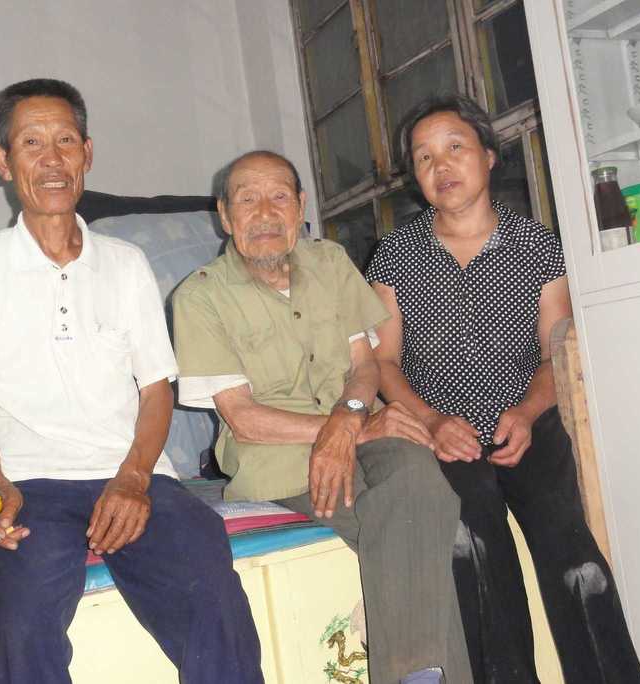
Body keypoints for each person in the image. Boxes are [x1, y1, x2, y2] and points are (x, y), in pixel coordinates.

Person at [0, 78, 263, 684]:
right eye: (32, 143)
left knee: (208, 578)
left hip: (130, 474)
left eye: (65, 141)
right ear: (3, 162)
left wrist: (133, 479)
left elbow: (156, 390)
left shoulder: (126, 264)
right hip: (23, 482)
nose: (52, 159)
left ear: (87, 153)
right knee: (19, 607)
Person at [366, 93, 640, 683]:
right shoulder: (394, 254)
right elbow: (384, 362)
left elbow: (554, 352)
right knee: (473, 545)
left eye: (455, 147)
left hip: (527, 421)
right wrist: (433, 422)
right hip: (444, 432)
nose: (441, 165)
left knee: (572, 554)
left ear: (489, 156)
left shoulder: (536, 245)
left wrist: (526, 411)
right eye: (424, 157)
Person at [172, 150, 473, 684]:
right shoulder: (200, 296)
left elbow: (365, 366)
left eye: (279, 197)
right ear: (224, 215)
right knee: (416, 531)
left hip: (367, 427)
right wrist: (339, 431)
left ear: (300, 205)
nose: (265, 213)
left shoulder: (330, 262)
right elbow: (243, 418)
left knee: (421, 478)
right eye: (248, 200)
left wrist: (352, 418)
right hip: (282, 461)